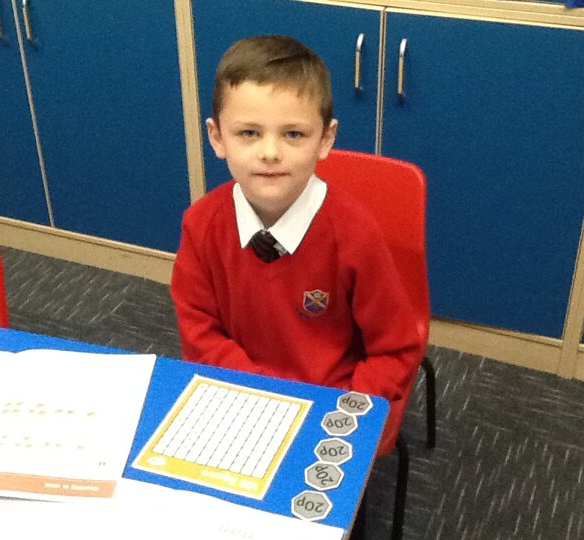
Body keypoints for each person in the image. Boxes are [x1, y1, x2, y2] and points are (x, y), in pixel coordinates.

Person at [170, 35, 423, 457]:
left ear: (325, 139)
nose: (270, 153)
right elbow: (200, 333)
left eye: (293, 134)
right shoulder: (201, 225)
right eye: (249, 133)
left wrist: (345, 413)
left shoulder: (355, 234)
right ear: (217, 138)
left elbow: (394, 348)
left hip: (329, 407)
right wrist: (263, 399)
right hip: (241, 398)